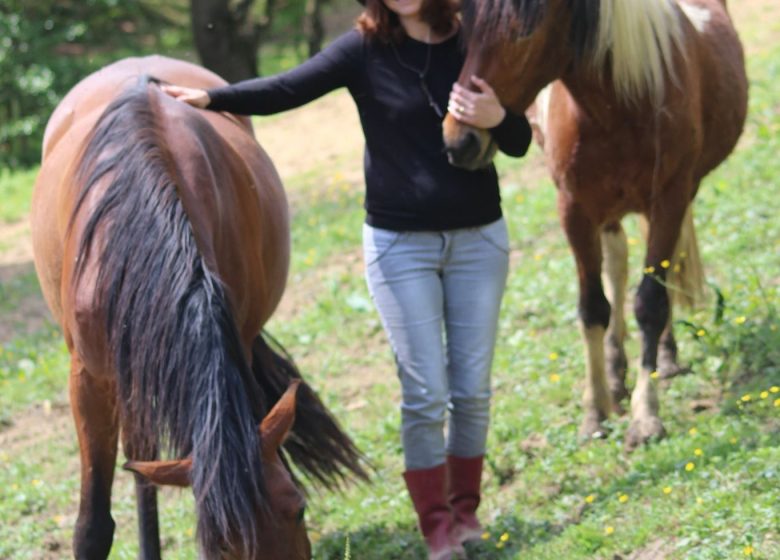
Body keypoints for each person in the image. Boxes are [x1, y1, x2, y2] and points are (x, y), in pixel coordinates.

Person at [163, 0, 531, 558]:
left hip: (479, 242)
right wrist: (213, 98)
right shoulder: (363, 49)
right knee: (427, 394)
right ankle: (436, 526)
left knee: (472, 391)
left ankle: (466, 511)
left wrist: (498, 119)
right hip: (399, 248)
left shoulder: (471, 40)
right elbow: (288, 88)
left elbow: (522, 140)